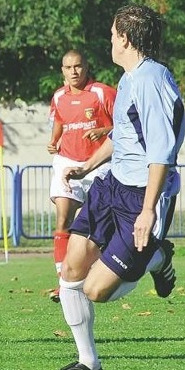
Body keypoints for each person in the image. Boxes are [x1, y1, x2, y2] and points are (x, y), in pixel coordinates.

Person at [56, 4, 185, 370]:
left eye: (113, 34)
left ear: (125, 39)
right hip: (111, 186)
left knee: (97, 291)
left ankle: (158, 257)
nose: (110, 41)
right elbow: (124, 135)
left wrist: (148, 211)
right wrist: (89, 165)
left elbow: (160, 152)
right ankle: (89, 362)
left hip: (143, 196)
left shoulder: (150, 81)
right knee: (71, 268)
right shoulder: (130, 78)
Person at [46, 50, 116, 303]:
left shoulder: (102, 92)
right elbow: (59, 121)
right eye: (68, 67)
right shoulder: (58, 96)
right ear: (62, 70)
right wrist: (53, 141)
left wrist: (104, 130)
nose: (73, 71)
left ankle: (95, 272)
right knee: (63, 218)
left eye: (78, 66)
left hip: (98, 164)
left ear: (86, 67)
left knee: (95, 224)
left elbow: (126, 123)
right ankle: (62, 282)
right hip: (67, 160)